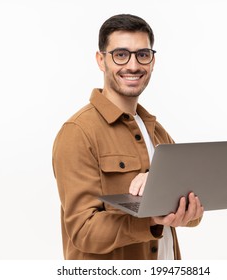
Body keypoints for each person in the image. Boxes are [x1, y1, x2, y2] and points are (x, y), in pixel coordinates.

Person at [52, 14, 204, 260]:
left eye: (142, 54)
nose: (133, 65)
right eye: (121, 54)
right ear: (101, 60)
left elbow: (193, 215)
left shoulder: (158, 132)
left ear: (152, 61)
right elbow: (83, 231)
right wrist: (150, 220)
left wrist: (188, 209)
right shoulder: (78, 132)